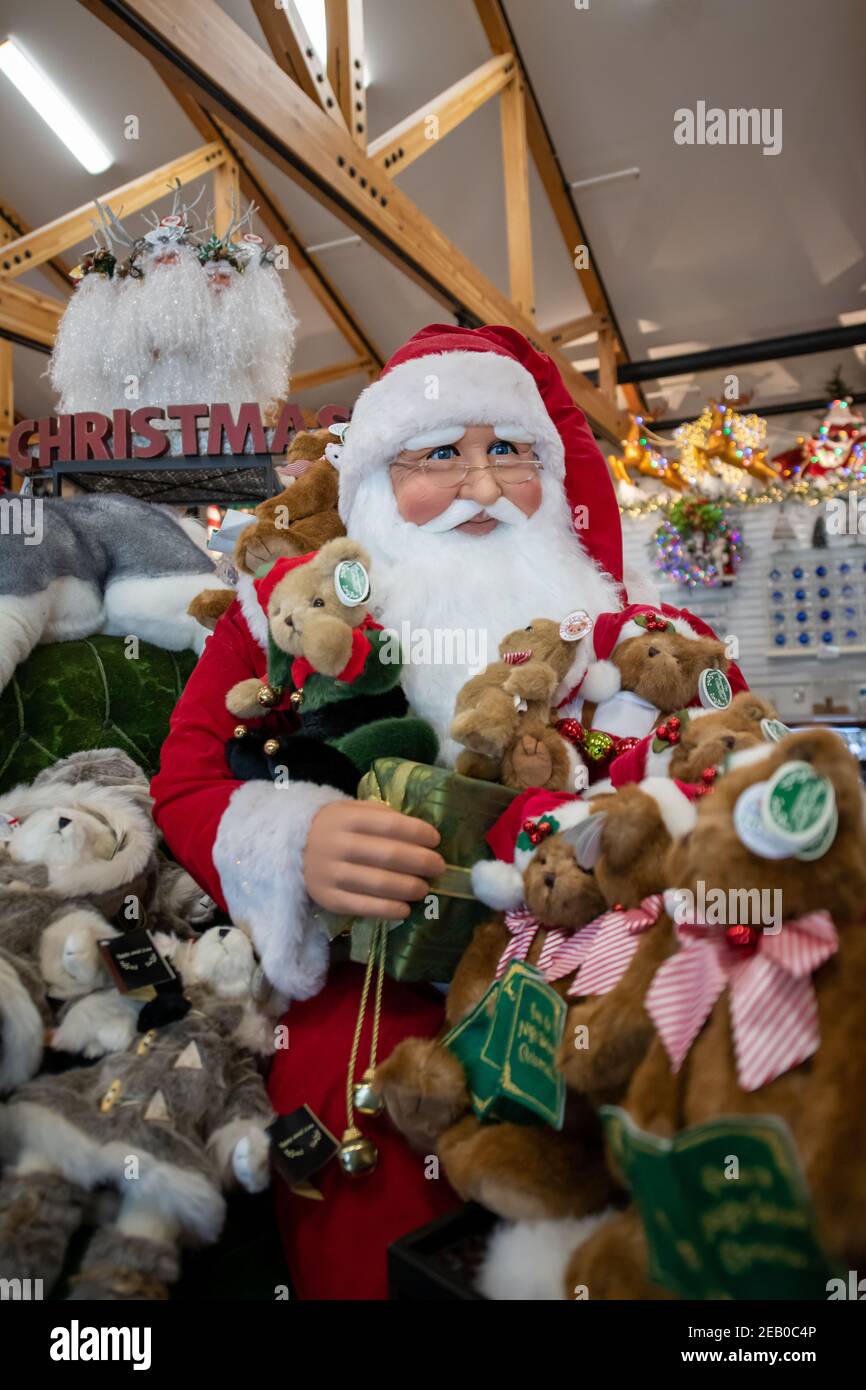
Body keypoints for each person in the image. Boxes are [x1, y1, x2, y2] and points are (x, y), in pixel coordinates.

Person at [151, 324, 743, 1298]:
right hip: (372, 1039)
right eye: (439, 455)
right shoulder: (284, 613)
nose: (477, 487)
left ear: (547, 473)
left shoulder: (641, 634)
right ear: (377, 478)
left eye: (504, 450)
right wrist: (290, 838)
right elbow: (183, 781)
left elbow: (736, 774)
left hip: (615, 1034)